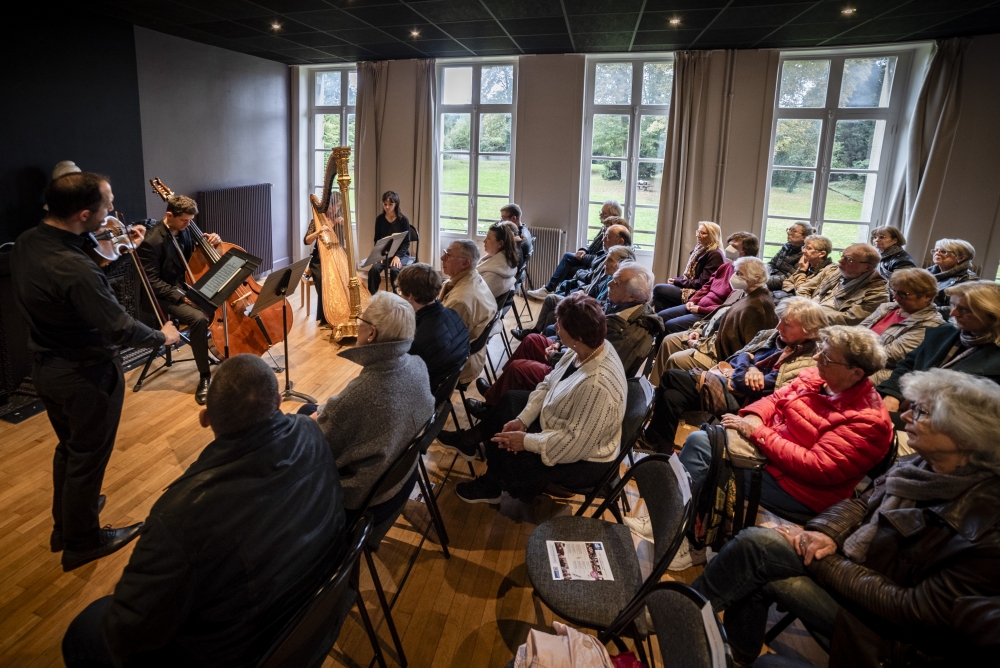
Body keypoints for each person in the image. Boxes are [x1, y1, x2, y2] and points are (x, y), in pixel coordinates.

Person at [691, 368, 1000, 668]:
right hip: (858, 570)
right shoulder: (920, 464)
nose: (905, 416)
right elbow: (861, 504)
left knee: (758, 550)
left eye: (921, 412)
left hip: (886, 632)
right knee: (758, 550)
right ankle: (729, 645)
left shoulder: (985, 531)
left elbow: (910, 610)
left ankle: (686, 617)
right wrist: (824, 531)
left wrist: (821, 559)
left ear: (965, 436)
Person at [61, 355, 347, 668]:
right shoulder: (310, 431)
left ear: (205, 418)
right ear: (279, 401)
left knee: (85, 630)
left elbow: (127, 633)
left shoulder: (179, 514)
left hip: (246, 652)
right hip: (310, 627)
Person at [10, 172, 180, 572]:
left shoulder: (28, 241)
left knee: (70, 449)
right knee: (88, 457)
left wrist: (116, 251)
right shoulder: (74, 268)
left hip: (47, 369)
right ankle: (83, 542)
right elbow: (120, 327)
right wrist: (164, 336)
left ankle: (66, 524)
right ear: (84, 214)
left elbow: (75, 292)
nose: (112, 211)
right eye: (107, 204)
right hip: (85, 376)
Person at [656, 326, 893, 570]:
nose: (816, 357)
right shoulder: (817, 377)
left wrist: (758, 434)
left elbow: (815, 466)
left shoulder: (869, 422)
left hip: (800, 489)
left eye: (827, 357)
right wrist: (755, 417)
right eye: (821, 351)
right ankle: (673, 517)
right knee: (704, 440)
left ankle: (687, 537)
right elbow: (774, 399)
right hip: (772, 455)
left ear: (856, 372)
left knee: (708, 454)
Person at [443, 293, 627, 504]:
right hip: (563, 423)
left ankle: (491, 485)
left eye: (560, 325)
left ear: (578, 338)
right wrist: (523, 419)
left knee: (513, 449)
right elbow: (548, 383)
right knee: (510, 402)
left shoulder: (597, 386)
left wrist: (525, 441)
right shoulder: (584, 349)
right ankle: (470, 441)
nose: (555, 328)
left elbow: (573, 444)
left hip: (584, 460)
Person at [467, 263, 662, 418]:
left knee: (519, 368)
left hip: (575, 379)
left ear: (631, 295)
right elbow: (589, 342)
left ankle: (491, 410)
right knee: (532, 340)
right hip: (574, 355)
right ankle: (497, 393)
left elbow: (591, 365)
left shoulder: (627, 332)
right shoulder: (626, 309)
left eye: (616, 283)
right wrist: (560, 344)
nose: (609, 284)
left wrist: (555, 356)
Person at [642, 297, 829, 453]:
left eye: (786, 324)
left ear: (809, 330)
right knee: (671, 396)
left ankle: (651, 438)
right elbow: (737, 356)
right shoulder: (772, 336)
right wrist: (749, 364)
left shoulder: (806, 363)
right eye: (780, 320)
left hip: (745, 401)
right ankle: (661, 451)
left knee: (671, 376)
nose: (779, 327)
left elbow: (746, 384)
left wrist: (746, 361)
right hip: (727, 383)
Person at [311, 292, 434, 521]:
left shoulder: (361, 393)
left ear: (371, 333)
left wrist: (316, 421)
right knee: (309, 411)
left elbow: (316, 451)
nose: (358, 325)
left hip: (361, 501)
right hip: (401, 480)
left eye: (361, 321)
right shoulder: (418, 365)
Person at [137, 195, 222, 404]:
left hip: (183, 287)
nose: (188, 224)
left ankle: (222, 351)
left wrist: (213, 240)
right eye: (184, 220)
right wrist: (183, 298)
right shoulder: (151, 241)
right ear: (169, 215)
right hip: (161, 295)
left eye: (190, 220)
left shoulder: (185, 230)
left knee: (220, 299)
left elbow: (193, 255)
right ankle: (204, 377)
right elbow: (152, 282)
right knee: (197, 319)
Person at [878, 281, 1000, 414]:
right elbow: (907, 365)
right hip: (912, 408)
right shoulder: (945, 331)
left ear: (994, 315)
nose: (953, 313)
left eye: (964, 310)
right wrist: (893, 394)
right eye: (953, 305)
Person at [650, 257, 777, 380]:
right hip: (709, 337)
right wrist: (699, 331)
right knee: (669, 341)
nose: (734, 276)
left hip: (720, 355)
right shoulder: (741, 292)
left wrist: (699, 344)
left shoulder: (758, 308)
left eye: (739, 274)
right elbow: (718, 317)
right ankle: (656, 386)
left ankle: (667, 387)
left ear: (756, 278)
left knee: (676, 359)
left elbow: (747, 349)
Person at [512, 236, 634, 342]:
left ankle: (541, 340)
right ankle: (538, 336)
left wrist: (584, 298)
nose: (605, 262)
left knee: (552, 312)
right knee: (550, 302)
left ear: (621, 263)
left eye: (610, 260)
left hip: (588, 309)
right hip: (585, 298)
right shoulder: (606, 272)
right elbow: (592, 285)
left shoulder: (617, 284)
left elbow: (604, 307)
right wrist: (583, 290)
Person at [658, 232, 758, 334]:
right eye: (729, 245)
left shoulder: (744, 276)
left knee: (670, 325)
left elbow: (728, 307)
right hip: (698, 305)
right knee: (660, 317)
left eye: (734, 247)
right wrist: (693, 300)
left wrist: (701, 309)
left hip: (709, 313)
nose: (728, 249)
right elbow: (707, 286)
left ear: (745, 251)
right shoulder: (726, 266)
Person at [860, 268, 945, 385]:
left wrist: (852, 349)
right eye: (894, 291)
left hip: (885, 373)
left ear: (927, 296)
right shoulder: (887, 308)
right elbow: (857, 331)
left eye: (902, 294)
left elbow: (891, 355)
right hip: (860, 361)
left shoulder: (931, 324)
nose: (895, 297)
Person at [397, 262, 470, 398]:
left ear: (411, 296)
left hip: (422, 397)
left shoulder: (418, 341)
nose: (400, 295)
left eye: (400, 291)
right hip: (442, 390)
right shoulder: (454, 314)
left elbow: (402, 379)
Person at [527, 199, 621, 299]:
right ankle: (556, 293)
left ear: (614, 214)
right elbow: (592, 245)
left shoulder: (614, 233)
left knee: (568, 261)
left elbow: (601, 258)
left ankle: (552, 291)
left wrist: (583, 257)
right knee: (568, 264)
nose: (601, 215)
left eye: (604, 213)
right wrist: (584, 250)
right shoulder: (606, 228)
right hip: (589, 261)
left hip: (592, 266)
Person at [440, 239, 498, 384]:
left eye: (448, 255)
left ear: (465, 263)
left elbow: (442, 342)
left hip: (459, 366)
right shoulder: (475, 277)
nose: (442, 257)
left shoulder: (459, 301)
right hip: (471, 354)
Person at [796, 243, 887, 325]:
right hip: (805, 314)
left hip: (828, 328)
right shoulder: (832, 270)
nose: (840, 261)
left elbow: (848, 319)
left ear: (867, 267)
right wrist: (804, 308)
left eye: (849, 260)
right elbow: (803, 289)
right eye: (843, 256)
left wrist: (809, 315)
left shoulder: (877, 293)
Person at [651, 221, 725, 312]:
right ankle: (661, 317)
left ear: (712, 236)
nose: (697, 235)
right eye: (698, 231)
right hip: (691, 287)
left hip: (698, 292)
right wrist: (677, 280)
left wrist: (678, 282)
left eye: (702, 233)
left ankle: (653, 315)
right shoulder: (700, 248)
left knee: (658, 289)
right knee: (662, 297)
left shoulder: (715, 255)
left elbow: (702, 282)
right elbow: (689, 276)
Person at [303, 190, 343, 328]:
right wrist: (318, 232)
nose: (335, 209)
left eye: (338, 206)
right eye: (333, 206)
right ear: (327, 205)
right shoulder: (316, 221)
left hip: (336, 256)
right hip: (318, 258)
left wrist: (342, 226)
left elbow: (342, 242)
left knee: (344, 275)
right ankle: (325, 315)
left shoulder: (339, 220)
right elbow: (306, 240)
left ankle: (340, 308)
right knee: (322, 278)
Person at [367, 190, 412, 294]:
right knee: (374, 270)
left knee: (394, 270)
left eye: (390, 204)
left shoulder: (403, 220)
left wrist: (397, 257)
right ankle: (372, 296)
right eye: (385, 204)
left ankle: (397, 297)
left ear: (396, 204)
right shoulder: (380, 219)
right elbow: (377, 239)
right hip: (385, 253)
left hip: (401, 253)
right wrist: (379, 254)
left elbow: (406, 242)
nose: (387, 207)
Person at [928, 237, 978, 316]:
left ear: (961, 258)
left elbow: (961, 308)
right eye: (936, 250)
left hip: (943, 319)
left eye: (943, 252)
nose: (937, 253)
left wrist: (925, 310)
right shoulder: (927, 273)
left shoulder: (968, 279)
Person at [775, 234, 833, 299]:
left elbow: (802, 294)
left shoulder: (827, 271)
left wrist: (802, 272)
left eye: (809, 248)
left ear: (822, 254)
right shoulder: (807, 264)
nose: (803, 251)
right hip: (792, 298)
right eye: (804, 247)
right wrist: (796, 288)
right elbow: (786, 283)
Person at [765, 221, 813, 290]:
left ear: (804, 237)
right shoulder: (787, 246)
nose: (788, 232)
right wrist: (762, 273)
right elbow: (772, 264)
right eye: (789, 230)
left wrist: (764, 280)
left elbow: (789, 279)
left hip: (784, 287)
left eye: (794, 231)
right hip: (772, 279)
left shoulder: (805, 255)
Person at [477, 222, 519, 298]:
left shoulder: (493, 276)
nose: (484, 241)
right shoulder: (506, 260)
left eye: (489, 238)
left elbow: (476, 296)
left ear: (500, 244)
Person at [500, 203, 532, 269]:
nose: (501, 221)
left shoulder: (517, 238)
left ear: (514, 218)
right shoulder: (525, 229)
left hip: (512, 271)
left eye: (503, 218)